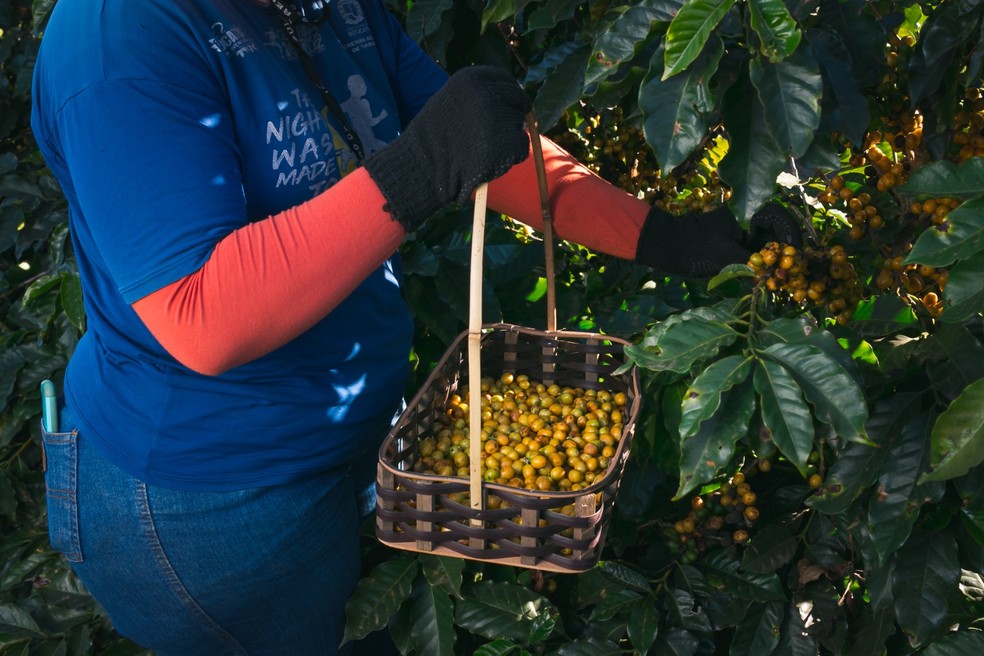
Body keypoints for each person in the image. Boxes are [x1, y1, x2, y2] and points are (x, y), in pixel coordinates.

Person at [30, 0, 800, 654]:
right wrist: (418, 170)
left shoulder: (328, 7)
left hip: (355, 445)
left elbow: (482, 151)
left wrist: (664, 237)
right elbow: (201, 313)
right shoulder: (120, 35)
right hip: (206, 501)